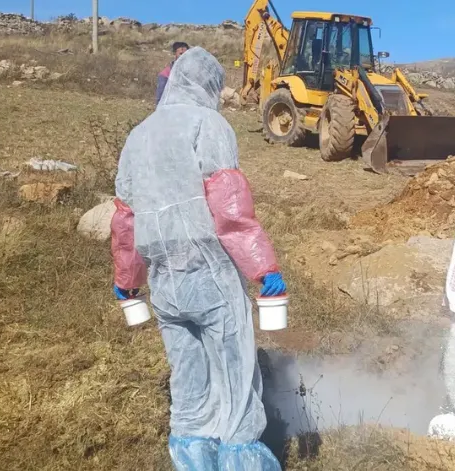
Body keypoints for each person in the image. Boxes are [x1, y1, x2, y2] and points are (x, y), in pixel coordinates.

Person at [111, 46, 285, 471]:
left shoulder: (139, 135)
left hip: (164, 284)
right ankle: (240, 456)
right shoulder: (209, 124)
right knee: (236, 375)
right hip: (210, 275)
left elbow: (125, 220)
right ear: (208, 85)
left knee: (187, 377)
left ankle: (192, 454)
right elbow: (230, 213)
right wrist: (263, 270)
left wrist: (127, 279)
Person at [156, 41, 189, 105]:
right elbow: (160, 99)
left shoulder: (191, 72)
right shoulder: (165, 74)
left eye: (186, 54)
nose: (184, 57)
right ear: (174, 53)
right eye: (181, 54)